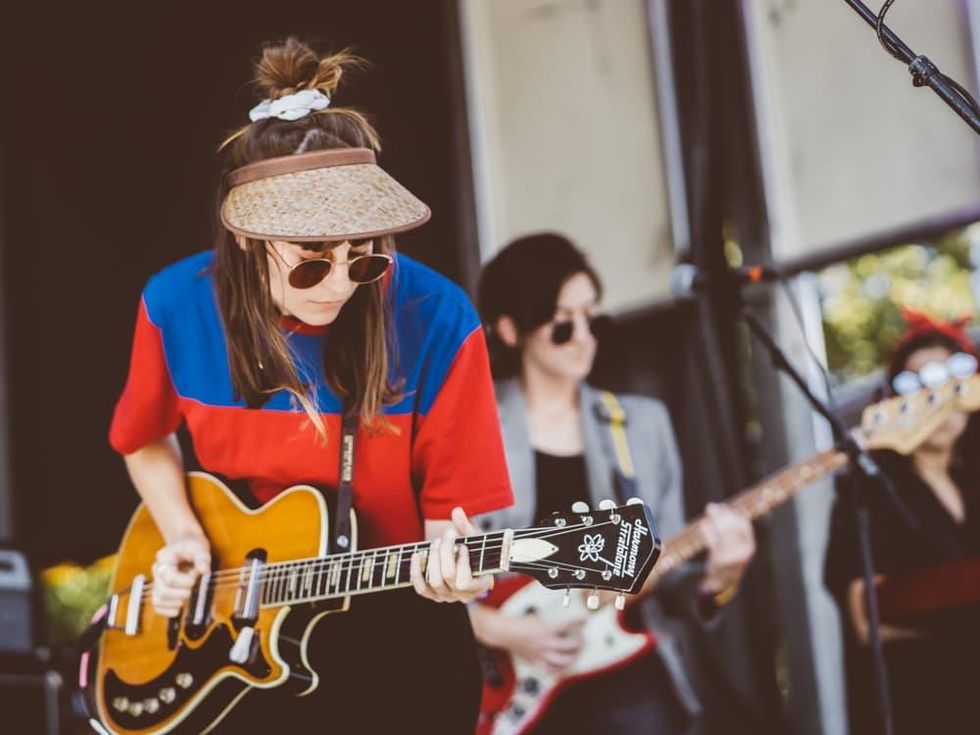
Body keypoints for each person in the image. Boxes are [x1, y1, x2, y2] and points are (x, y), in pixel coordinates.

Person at [108, 38, 513, 733]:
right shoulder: (172, 305)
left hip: (402, 648)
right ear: (245, 236)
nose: (336, 287)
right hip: (240, 648)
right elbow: (141, 438)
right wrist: (183, 538)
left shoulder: (442, 318)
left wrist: (462, 571)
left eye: (363, 259)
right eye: (310, 262)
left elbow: (456, 527)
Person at [469, 232, 756, 734]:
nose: (584, 337)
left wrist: (720, 579)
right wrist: (499, 630)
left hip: (625, 678)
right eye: (563, 325)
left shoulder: (642, 426)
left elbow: (670, 579)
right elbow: (429, 566)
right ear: (511, 330)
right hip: (505, 681)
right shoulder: (469, 429)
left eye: (593, 318)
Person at [825, 309, 980, 735]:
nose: (938, 401)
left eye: (952, 383)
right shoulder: (870, 490)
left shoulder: (971, 481)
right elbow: (865, 619)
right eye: (920, 385)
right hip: (922, 704)